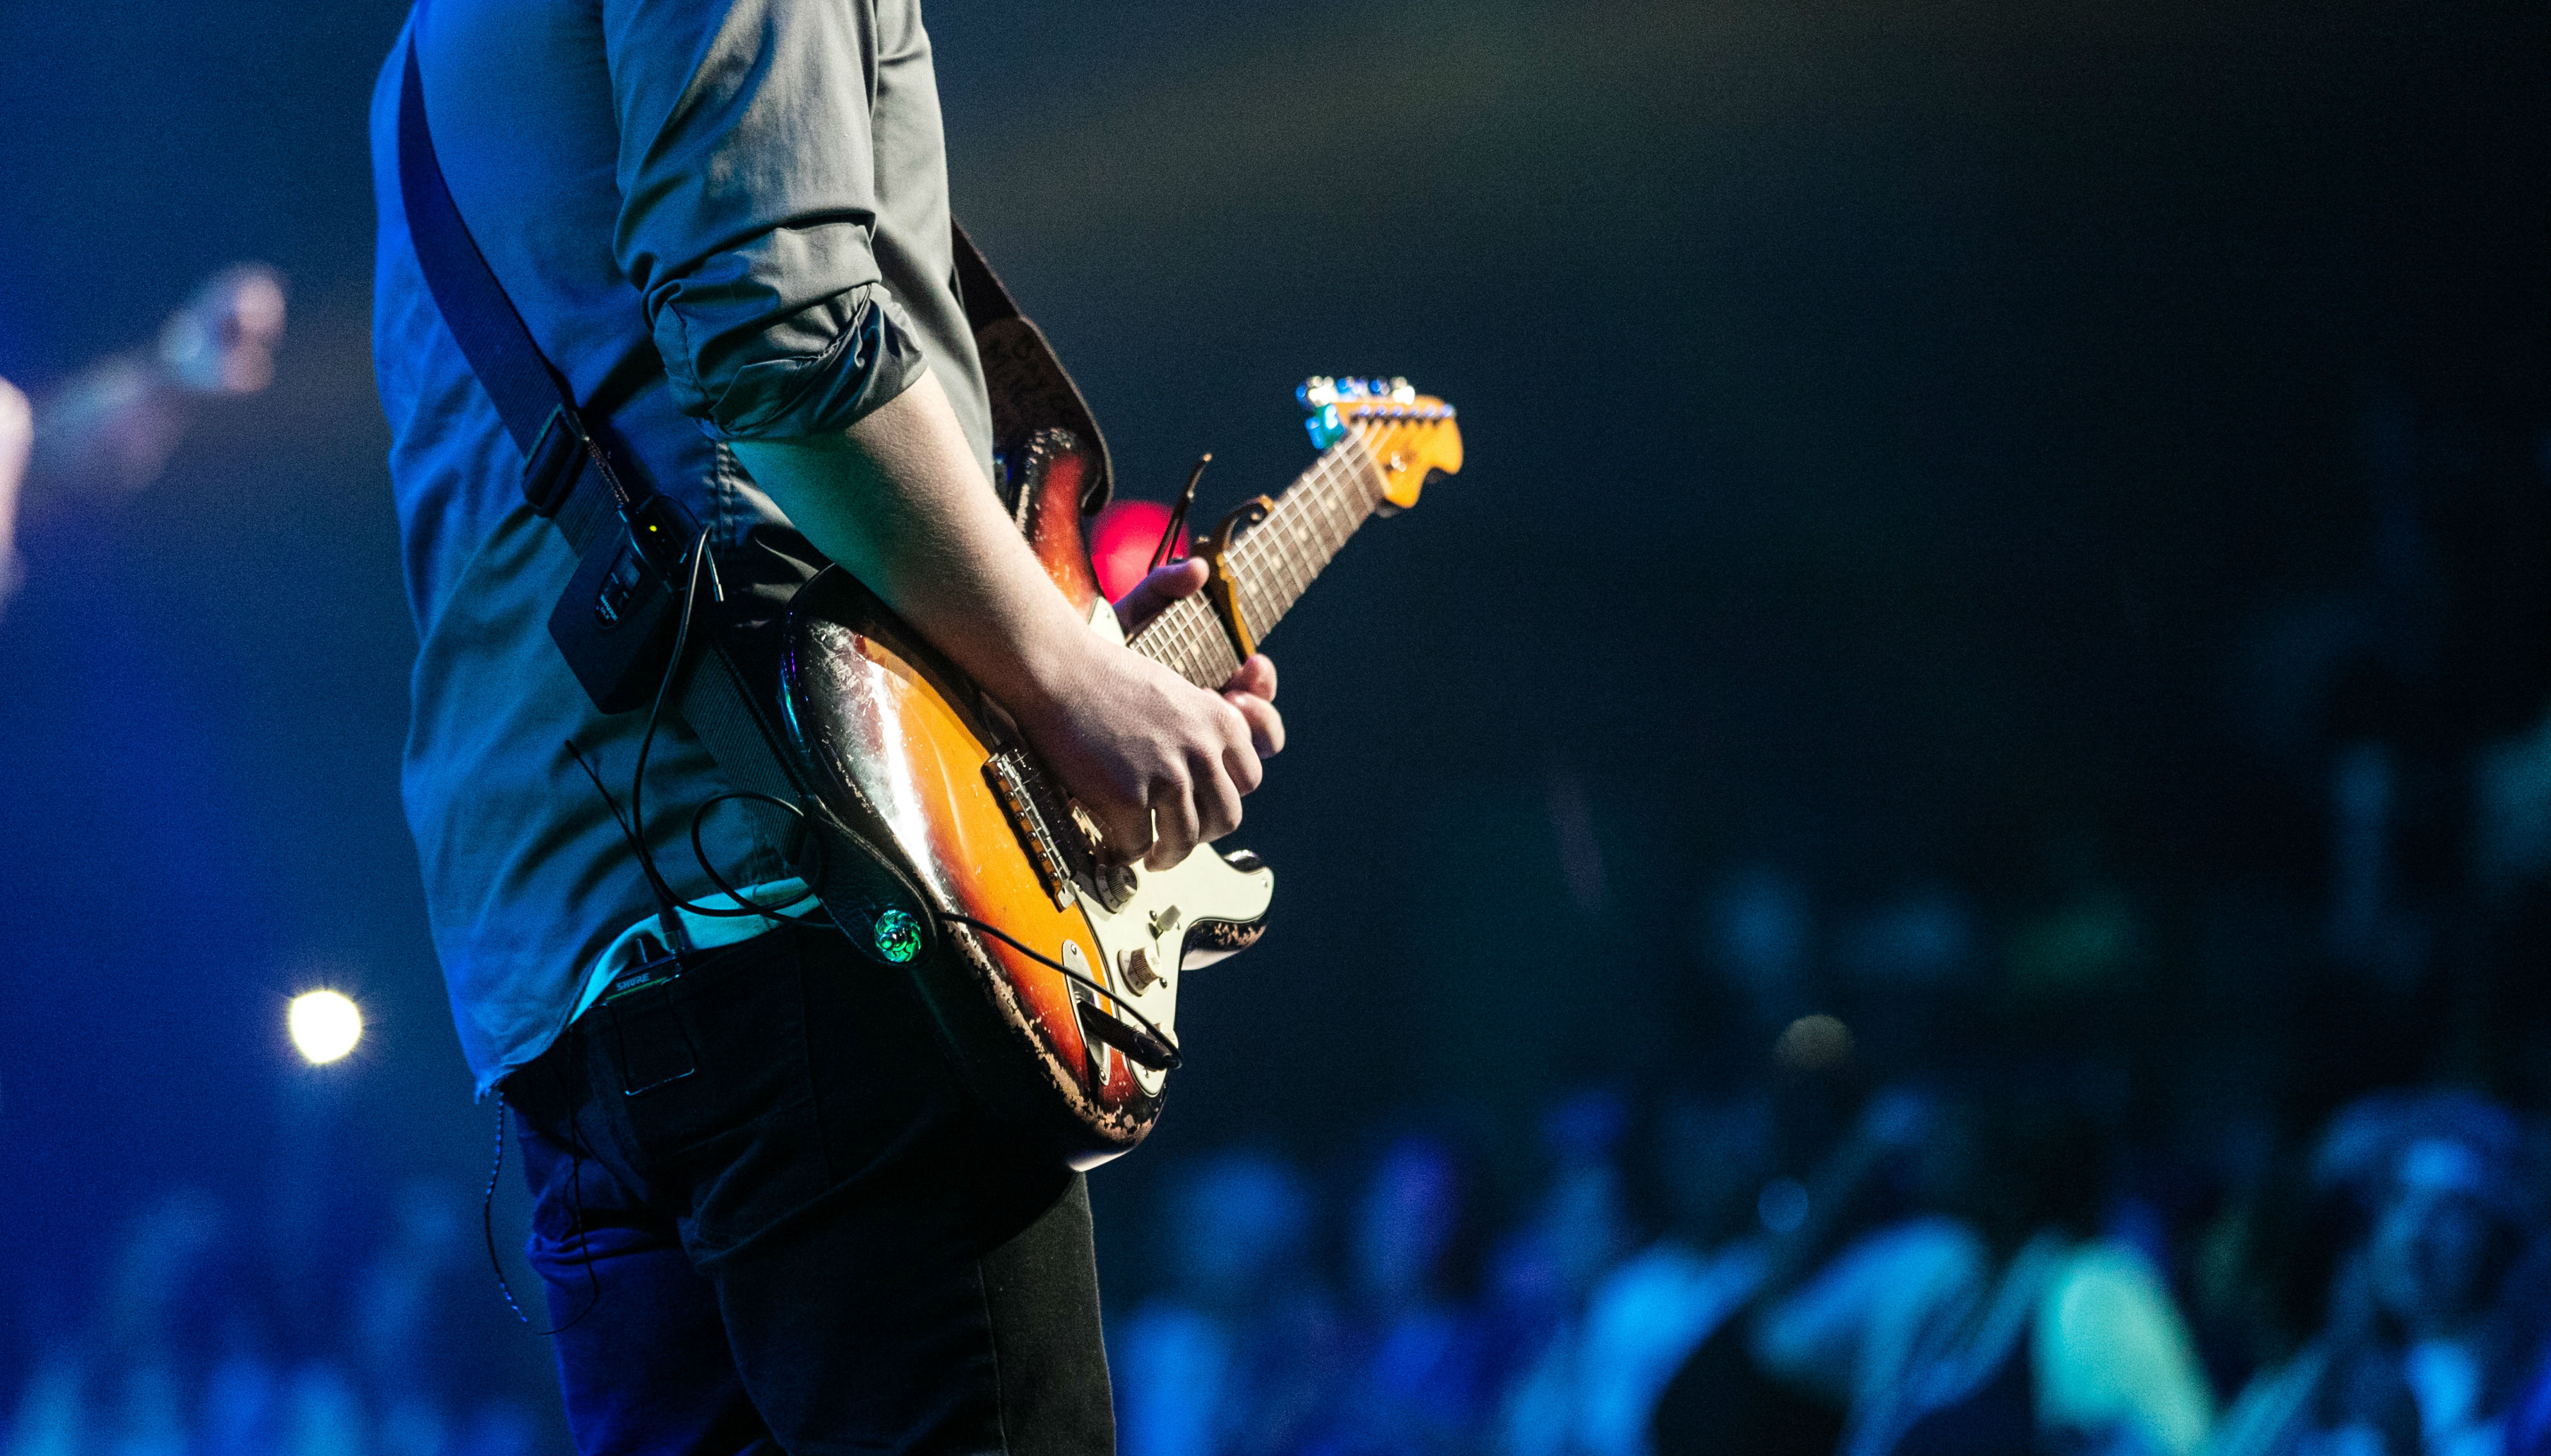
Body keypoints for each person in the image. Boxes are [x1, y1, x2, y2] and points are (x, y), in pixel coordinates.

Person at [368, 0, 1284, 1449]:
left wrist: (1052, 639)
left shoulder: (438, 43)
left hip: (571, 977)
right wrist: (1067, 677)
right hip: (820, 914)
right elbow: (777, 345)